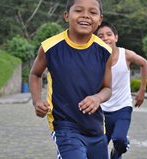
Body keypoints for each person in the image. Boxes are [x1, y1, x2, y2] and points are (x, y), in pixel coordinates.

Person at [29, 0, 112, 159]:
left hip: (95, 128)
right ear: (67, 16)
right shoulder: (50, 47)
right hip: (64, 126)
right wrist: (37, 100)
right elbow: (35, 74)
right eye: (79, 10)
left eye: (92, 13)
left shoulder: (104, 51)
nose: (86, 16)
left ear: (100, 20)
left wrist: (97, 98)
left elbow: (107, 88)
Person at [95, 21, 147, 159]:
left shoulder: (126, 55)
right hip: (101, 109)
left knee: (119, 140)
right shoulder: (94, 58)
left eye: (108, 34)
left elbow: (144, 63)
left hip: (122, 107)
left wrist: (142, 90)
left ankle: (117, 152)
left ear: (116, 37)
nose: (105, 38)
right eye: (100, 36)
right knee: (99, 147)